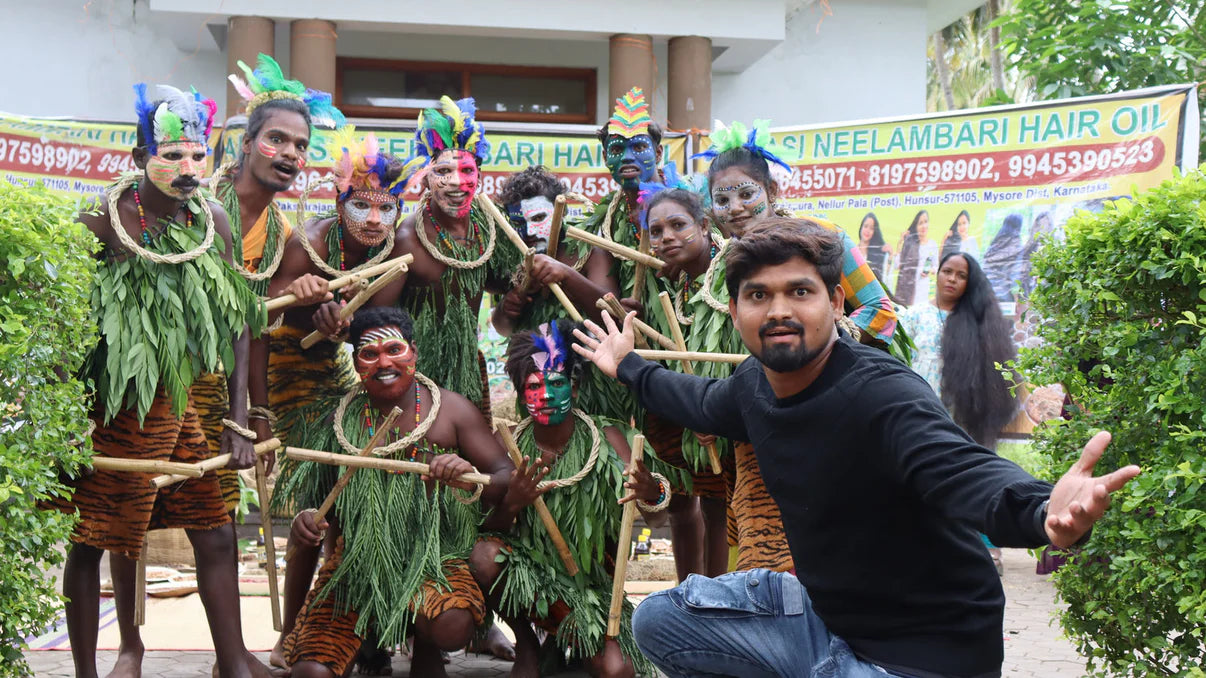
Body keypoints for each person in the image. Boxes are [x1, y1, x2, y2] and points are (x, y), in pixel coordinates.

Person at [572, 218, 1140, 678]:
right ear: (737, 309)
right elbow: (696, 399)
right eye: (757, 296)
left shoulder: (882, 397)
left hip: (923, 656)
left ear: (837, 303)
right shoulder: (753, 385)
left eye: (800, 291)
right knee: (660, 621)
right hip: (826, 618)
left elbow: (965, 472)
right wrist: (630, 367)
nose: (778, 312)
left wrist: (1044, 512)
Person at [47, 84, 270, 678]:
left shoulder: (213, 219)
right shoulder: (104, 218)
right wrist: (66, 417)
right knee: (94, 537)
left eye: (197, 155)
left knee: (217, 535)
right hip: (120, 406)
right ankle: (91, 670)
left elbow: (237, 324)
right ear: (139, 156)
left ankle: (234, 663)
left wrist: (239, 419)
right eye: (171, 155)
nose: (188, 169)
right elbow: (65, 318)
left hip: (194, 402)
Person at [693, 119, 899, 573]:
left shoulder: (823, 238)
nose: (737, 209)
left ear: (773, 190)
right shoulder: (719, 265)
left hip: (828, 417)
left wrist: (822, 353)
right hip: (754, 433)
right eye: (722, 200)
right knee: (757, 545)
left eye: (747, 194)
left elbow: (882, 311)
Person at [278, 306, 519, 678]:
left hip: (436, 557)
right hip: (358, 563)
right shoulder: (339, 420)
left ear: (414, 352)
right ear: (356, 363)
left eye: (394, 350)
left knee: (451, 625)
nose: (383, 362)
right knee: (310, 673)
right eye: (369, 354)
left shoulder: (450, 410)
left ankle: (424, 643)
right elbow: (317, 504)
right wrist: (304, 521)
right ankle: (370, 637)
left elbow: (506, 474)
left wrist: (469, 474)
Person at [263, 127, 416, 671]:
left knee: (352, 497)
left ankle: (349, 623)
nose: (375, 220)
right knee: (315, 500)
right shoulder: (306, 241)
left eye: (387, 207)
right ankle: (288, 634)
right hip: (293, 373)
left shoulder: (396, 248)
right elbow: (261, 316)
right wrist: (301, 306)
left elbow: (371, 328)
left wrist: (344, 326)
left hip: (354, 375)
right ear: (338, 200)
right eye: (362, 206)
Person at [470, 320, 674, 678]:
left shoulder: (608, 436)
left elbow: (656, 518)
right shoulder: (507, 445)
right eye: (534, 386)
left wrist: (649, 491)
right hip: (531, 578)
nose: (546, 394)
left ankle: (569, 638)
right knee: (484, 556)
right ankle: (528, 646)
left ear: (575, 389)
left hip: (593, 590)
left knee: (616, 671)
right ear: (521, 394)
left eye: (557, 383)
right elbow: (487, 530)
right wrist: (513, 502)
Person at [369, 96, 521, 419]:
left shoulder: (487, 227)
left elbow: (501, 280)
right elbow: (377, 321)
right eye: (443, 171)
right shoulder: (407, 240)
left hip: (469, 368)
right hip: (416, 378)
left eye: (466, 170)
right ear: (425, 177)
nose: (456, 181)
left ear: (479, 174)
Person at [638, 176, 733, 580]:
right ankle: (697, 598)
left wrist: (720, 415)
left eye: (678, 225)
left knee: (726, 509)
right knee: (699, 501)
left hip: (735, 414)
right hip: (701, 418)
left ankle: (726, 605)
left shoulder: (734, 266)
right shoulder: (676, 283)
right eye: (656, 231)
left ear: (704, 225)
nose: (666, 237)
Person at [894, 209, 937, 306]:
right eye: (920, 223)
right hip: (907, 288)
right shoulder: (910, 244)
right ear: (916, 227)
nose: (924, 226)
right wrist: (900, 243)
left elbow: (936, 267)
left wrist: (930, 270)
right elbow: (897, 265)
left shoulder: (932, 244)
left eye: (925, 222)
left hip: (923, 288)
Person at [983, 213, 1026, 302]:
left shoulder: (995, 243)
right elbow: (1015, 274)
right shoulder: (1016, 244)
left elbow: (985, 269)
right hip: (1005, 296)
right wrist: (1017, 297)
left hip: (987, 293)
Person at [856, 212, 891, 281]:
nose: (867, 231)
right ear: (861, 227)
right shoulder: (852, 252)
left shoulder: (878, 255)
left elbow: (886, 277)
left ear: (874, 232)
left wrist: (890, 256)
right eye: (865, 226)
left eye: (871, 228)